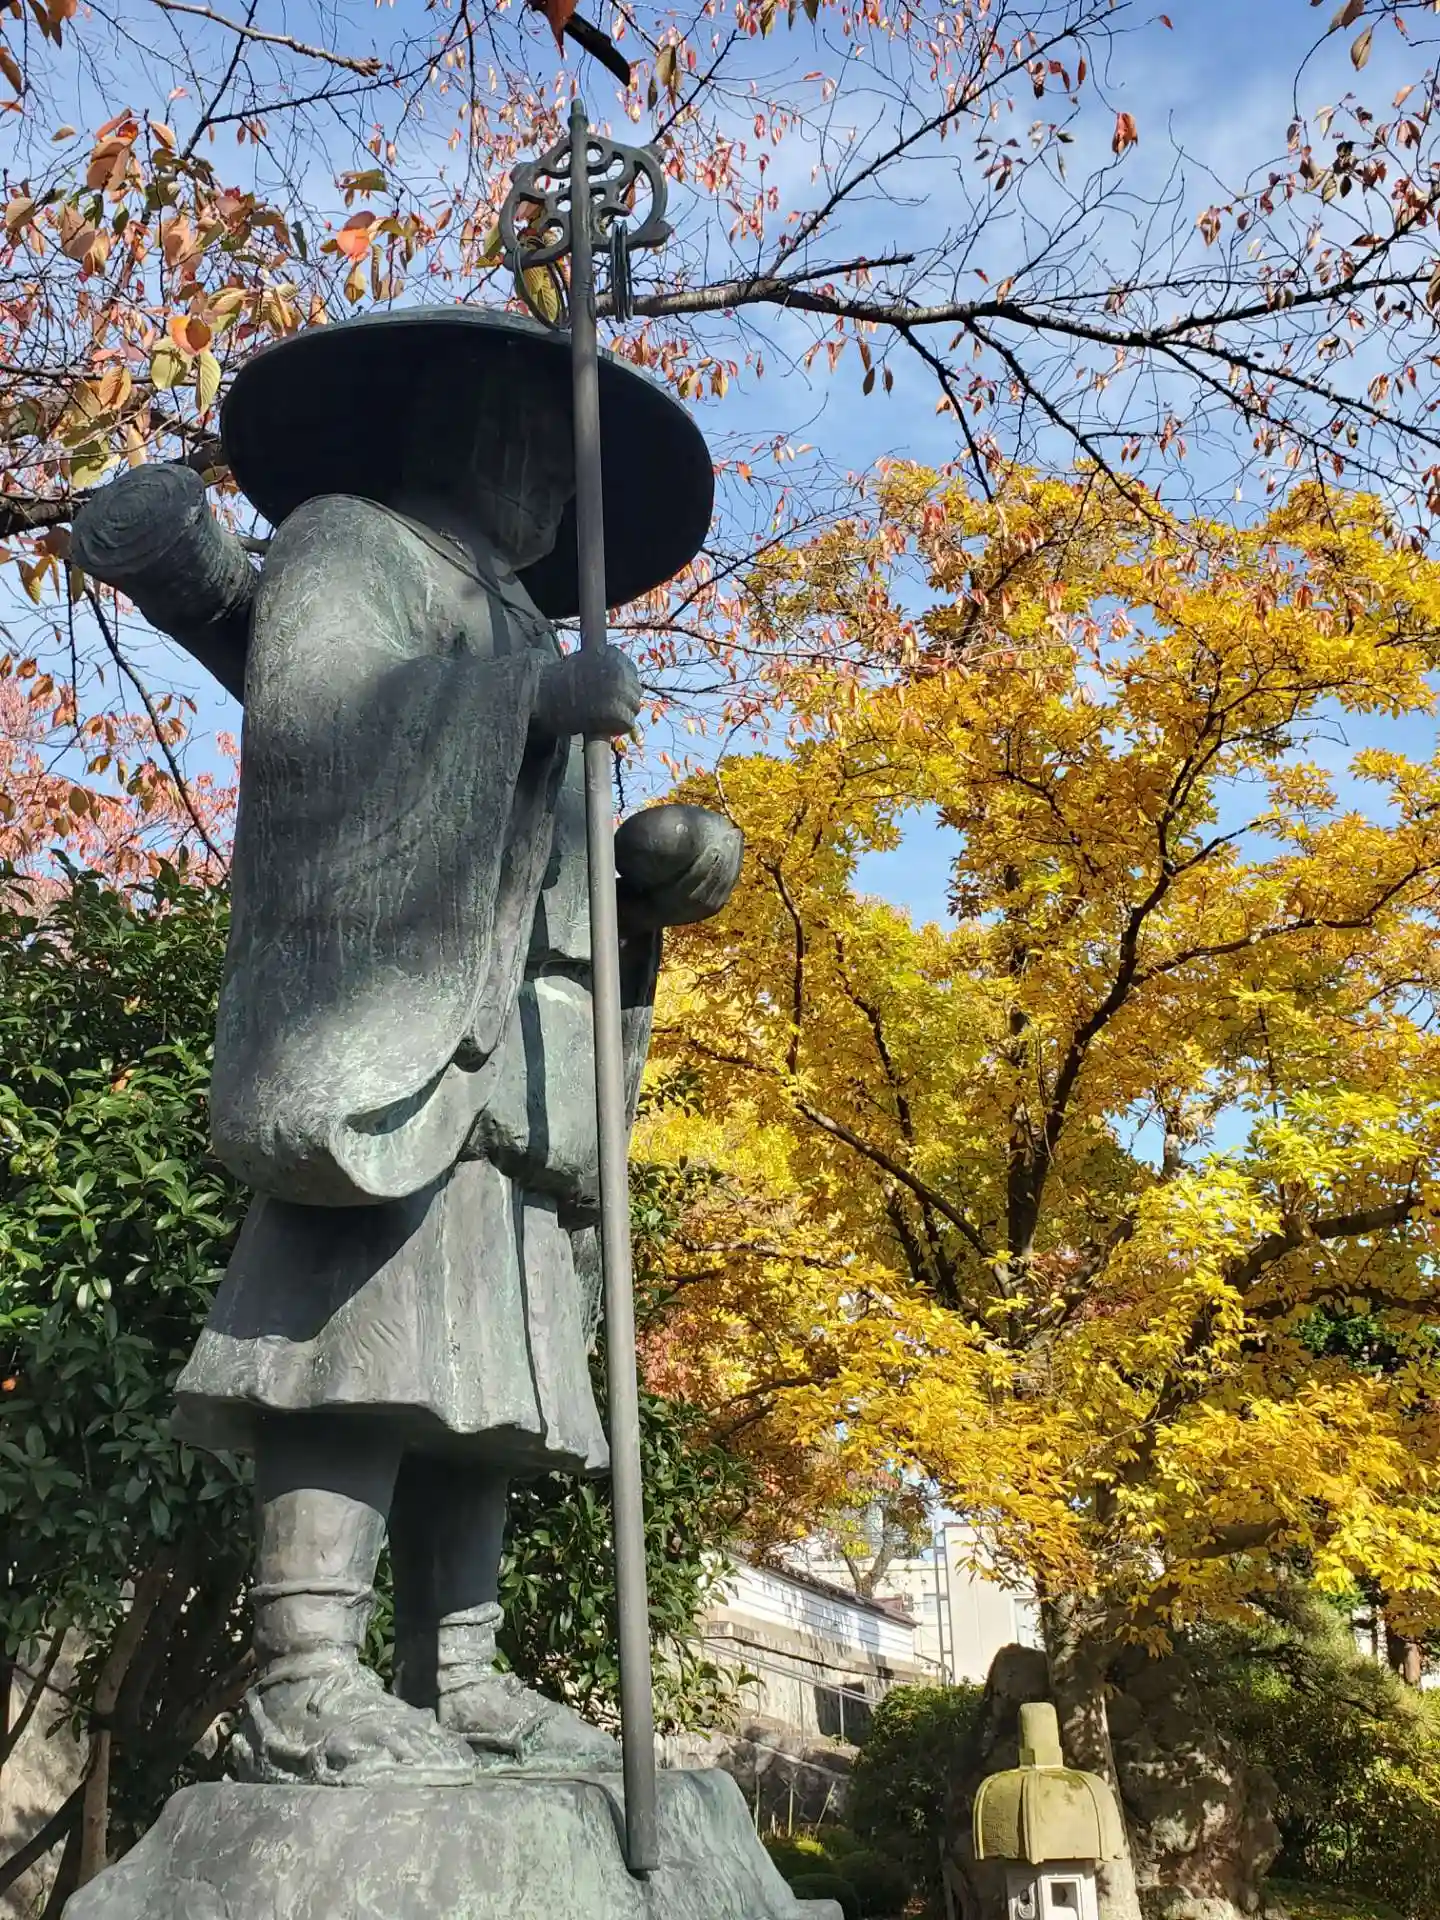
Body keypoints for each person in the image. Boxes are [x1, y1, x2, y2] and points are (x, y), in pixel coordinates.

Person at [75, 310, 741, 1788]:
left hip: (512, 1046)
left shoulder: (526, 621)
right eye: (541, 455)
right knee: (357, 1341)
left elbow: (537, 851)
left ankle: (466, 1670)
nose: (555, 494)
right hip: (394, 1026)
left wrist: (647, 875)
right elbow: (316, 723)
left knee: (484, 1370)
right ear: (469, 428)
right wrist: (526, 702)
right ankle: (303, 1671)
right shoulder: (350, 545)